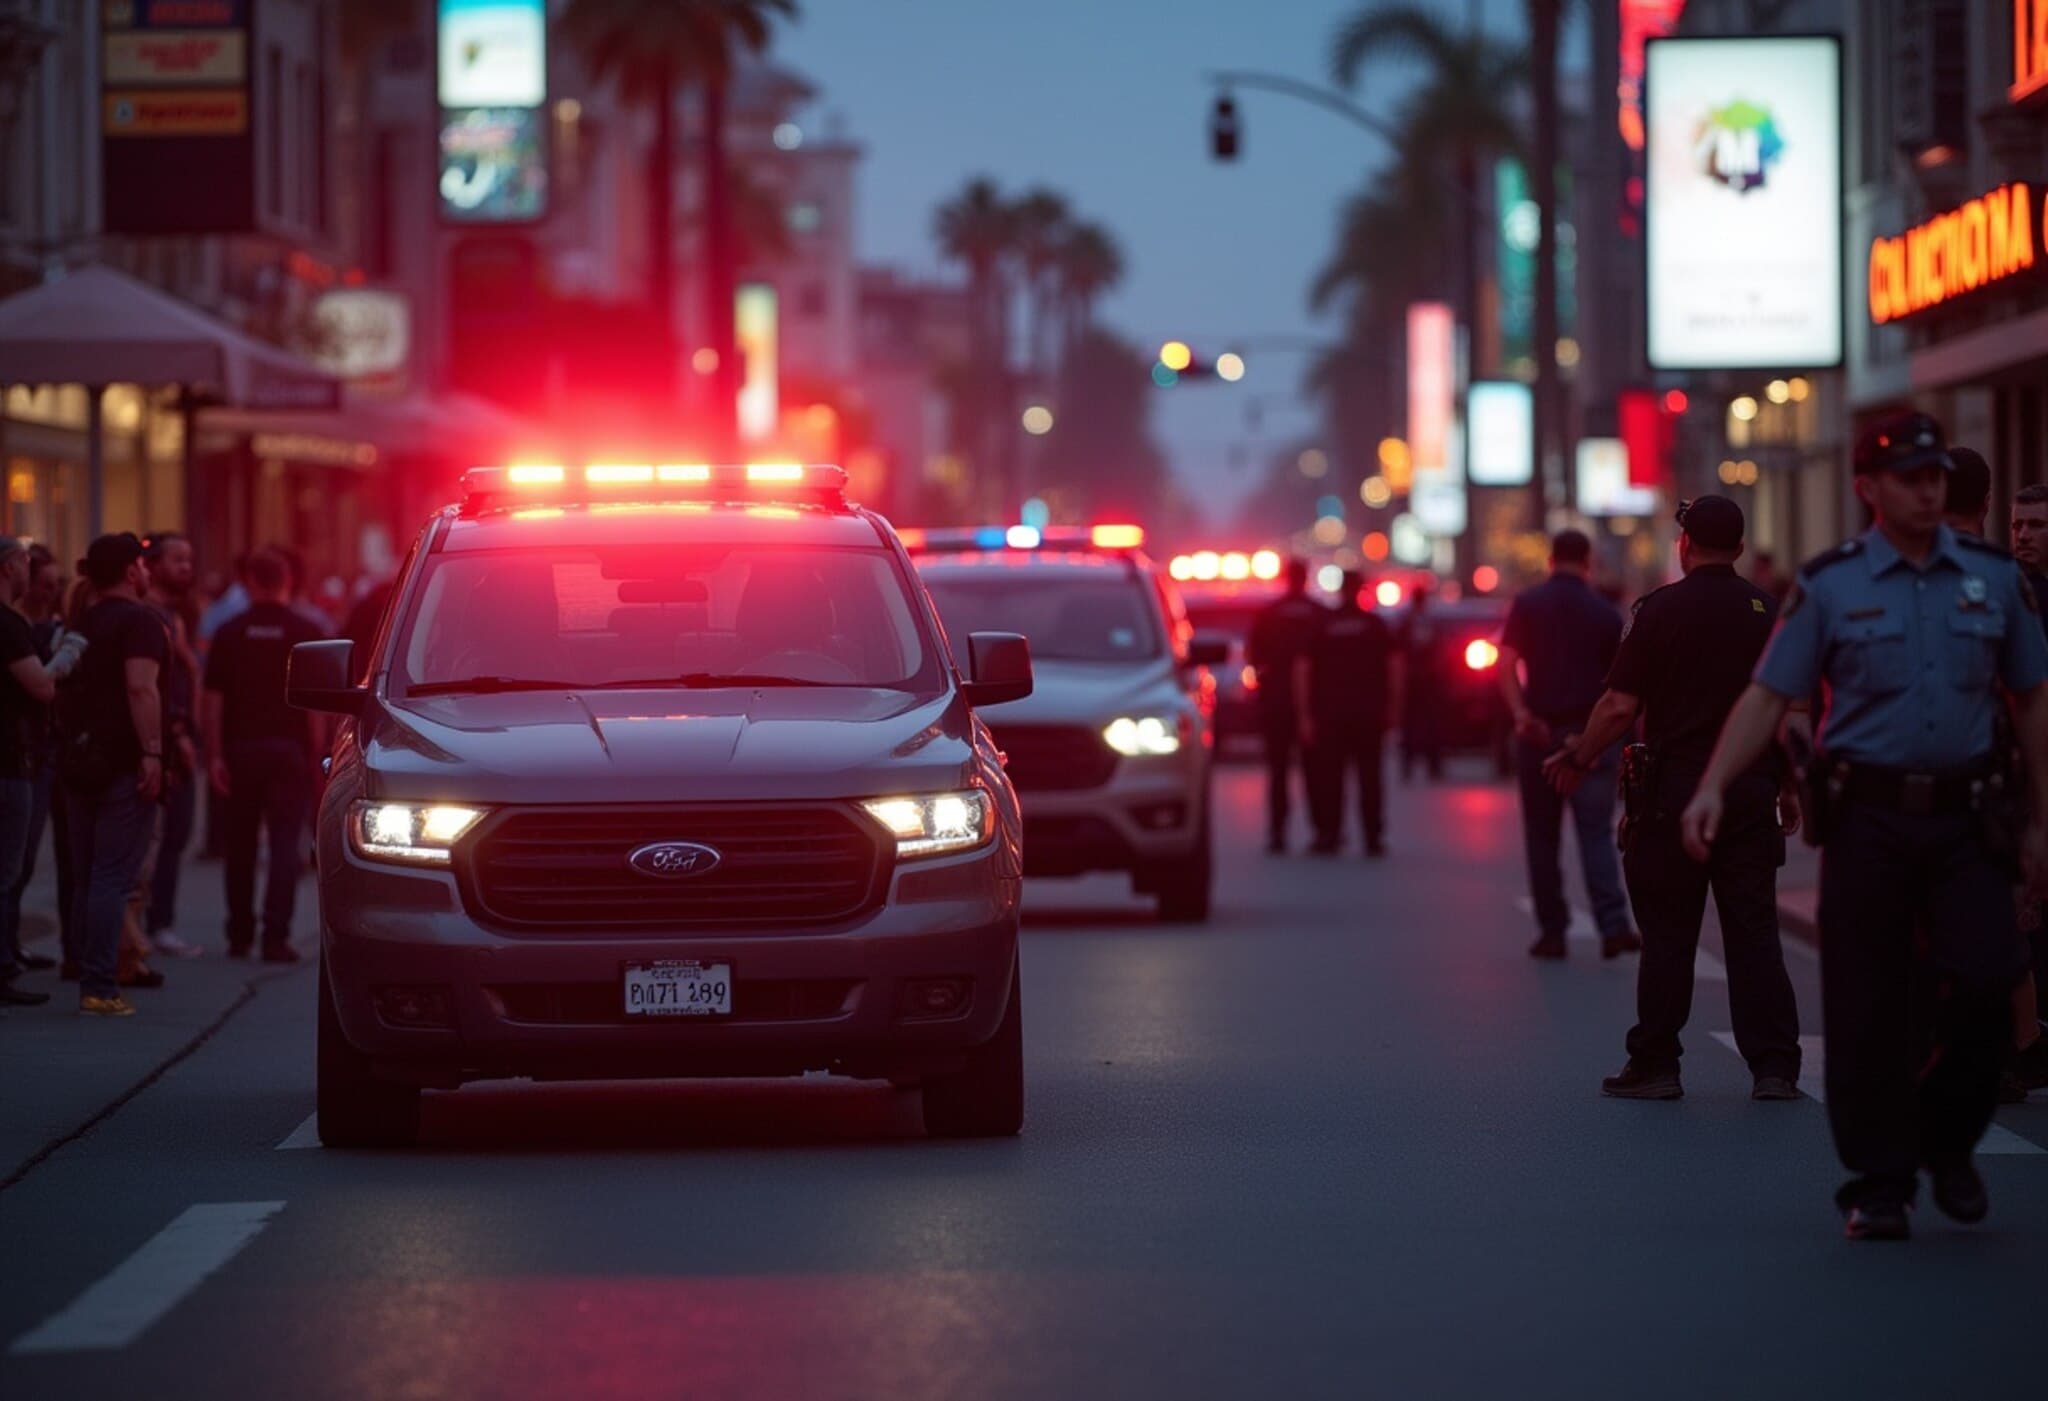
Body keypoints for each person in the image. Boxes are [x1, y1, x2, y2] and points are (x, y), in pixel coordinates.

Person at [1681, 411, 2048, 1241]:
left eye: (1935, 479)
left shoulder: (1994, 581)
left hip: (1968, 818)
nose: (1928, 491)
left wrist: (2040, 824)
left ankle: (1949, 1144)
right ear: (1869, 489)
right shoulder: (1830, 584)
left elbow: (2032, 702)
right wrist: (1713, 786)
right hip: (1869, 823)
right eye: (1911, 479)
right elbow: (1770, 694)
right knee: (1866, 1007)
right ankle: (1880, 1181)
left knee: (1990, 981)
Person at [1543, 497, 1802, 1101]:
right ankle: (1774, 1067)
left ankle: (1657, 1062)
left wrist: (1580, 755)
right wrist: (1787, 786)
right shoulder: (1769, 613)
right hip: (1747, 790)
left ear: (1684, 545)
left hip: (1673, 795)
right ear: (1739, 550)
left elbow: (1619, 706)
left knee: (1667, 933)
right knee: (1754, 931)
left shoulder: (1659, 610)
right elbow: (1784, 714)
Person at [1498, 530, 1640, 960]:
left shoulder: (1527, 604)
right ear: (1588, 561)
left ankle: (1552, 931)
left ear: (1550, 559)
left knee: (1542, 836)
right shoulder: (1605, 612)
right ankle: (1613, 925)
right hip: (1588, 735)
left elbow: (1505, 665)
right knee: (1595, 832)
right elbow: (1621, 687)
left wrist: (1521, 715)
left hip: (1539, 732)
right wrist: (1611, 741)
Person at [57, 533, 169, 1018]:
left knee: (86, 877)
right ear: (130, 572)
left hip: (78, 762)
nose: (147, 573)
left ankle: (89, 974)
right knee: (111, 877)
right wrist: (152, 753)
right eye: (142, 565)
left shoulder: (81, 621)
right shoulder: (140, 622)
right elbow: (142, 689)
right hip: (122, 763)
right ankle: (100, 984)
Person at [202, 549, 326, 961]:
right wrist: (316, 757)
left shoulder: (229, 632)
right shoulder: (305, 630)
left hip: (241, 750)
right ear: (287, 581)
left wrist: (214, 754)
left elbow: (213, 700)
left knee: (240, 846)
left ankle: (239, 934)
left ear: (250, 582)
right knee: (285, 847)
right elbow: (314, 707)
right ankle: (276, 937)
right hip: (288, 752)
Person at [1297, 570, 1401, 856]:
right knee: (1371, 777)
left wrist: (1305, 713)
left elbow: (1303, 670)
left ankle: (1329, 834)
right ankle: (1372, 836)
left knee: (1330, 777)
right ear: (1361, 590)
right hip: (1369, 714)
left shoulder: (1322, 625)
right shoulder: (1375, 625)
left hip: (1330, 715)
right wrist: (1393, 708)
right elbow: (1395, 669)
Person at [142, 532, 203, 959]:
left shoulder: (179, 614)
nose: (186, 567)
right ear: (153, 565)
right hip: (163, 740)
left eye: (189, 559)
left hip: (178, 737)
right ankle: (149, 924)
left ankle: (158, 922)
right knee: (154, 836)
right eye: (177, 558)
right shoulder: (149, 618)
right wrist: (177, 733)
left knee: (176, 834)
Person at [8, 546, 66, 974]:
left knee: (18, 863)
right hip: (16, 759)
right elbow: (42, 687)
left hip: (31, 755)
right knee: (13, 862)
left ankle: (9, 950)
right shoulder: (10, 626)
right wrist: (67, 655)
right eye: (40, 580)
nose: (48, 593)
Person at [1245, 558, 1327, 853]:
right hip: (1314, 705)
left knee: (1278, 771)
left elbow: (1253, 657)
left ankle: (1277, 833)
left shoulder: (1269, 614)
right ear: (1306, 578)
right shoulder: (1320, 615)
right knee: (1315, 772)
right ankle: (1321, 831)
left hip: (1275, 703)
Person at [1398, 579, 1446, 782]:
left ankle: (1428, 764)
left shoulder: (1422, 622)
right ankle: (1419, 764)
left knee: (1426, 724)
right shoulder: (1411, 622)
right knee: (1416, 724)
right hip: (1417, 679)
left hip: (1425, 679)